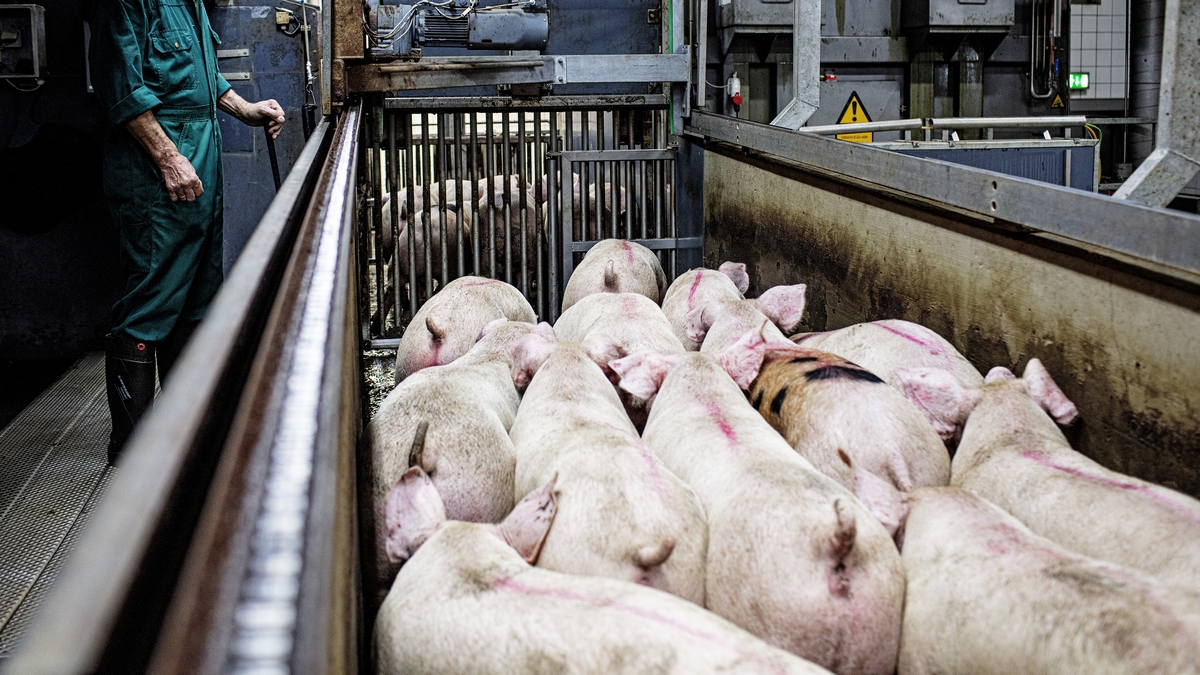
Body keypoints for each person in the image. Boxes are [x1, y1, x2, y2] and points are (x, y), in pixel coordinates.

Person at [87, 0, 285, 464]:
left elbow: (203, 75)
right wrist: (168, 158)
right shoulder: (124, 5)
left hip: (201, 161)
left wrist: (245, 108)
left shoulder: (190, 2)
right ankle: (132, 453)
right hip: (156, 172)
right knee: (151, 299)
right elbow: (122, 87)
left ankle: (181, 437)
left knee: (197, 299)